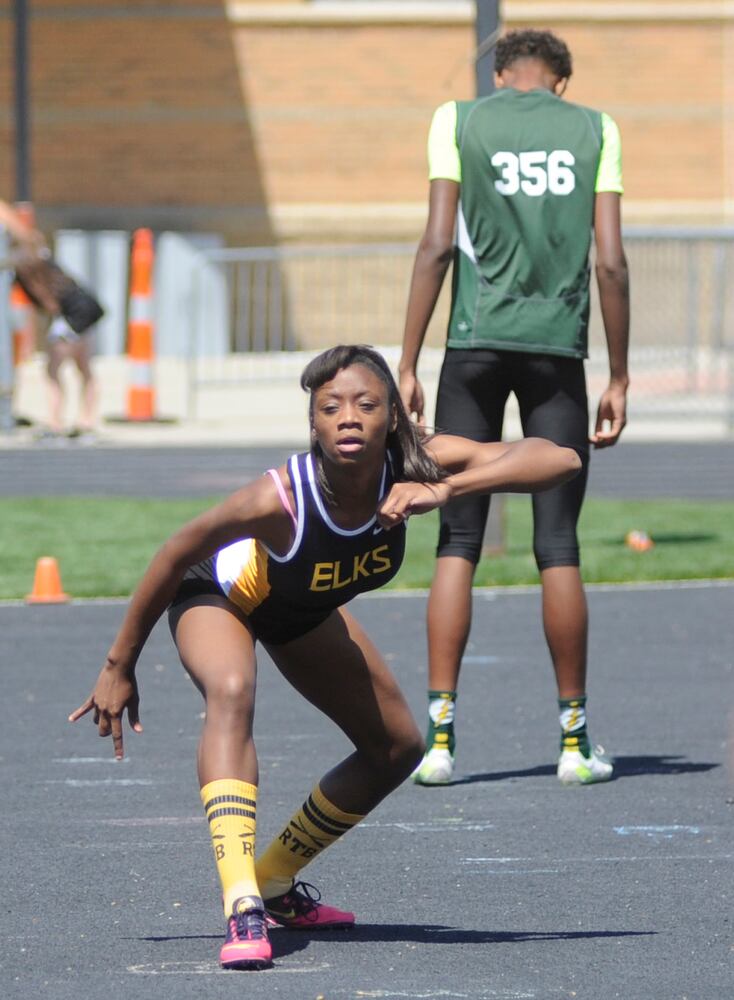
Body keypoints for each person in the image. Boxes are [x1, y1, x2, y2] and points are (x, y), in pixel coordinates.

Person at [69, 344, 580, 971]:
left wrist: (446, 488)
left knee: (396, 748)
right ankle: (242, 904)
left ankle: (275, 881)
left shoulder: (416, 463)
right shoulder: (277, 499)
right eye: (330, 407)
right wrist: (119, 664)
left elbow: (559, 457)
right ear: (312, 421)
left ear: (393, 415)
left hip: (300, 611)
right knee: (232, 691)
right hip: (220, 594)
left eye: (366, 404)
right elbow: (175, 552)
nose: (348, 417)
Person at [398, 29, 630, 787]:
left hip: (470, 344)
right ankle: (573, 744)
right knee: (557, 544)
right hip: (557, 351)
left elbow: (436, 245)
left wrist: (406, 361)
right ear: (561, 81)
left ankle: (437, 742)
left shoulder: (457, 120)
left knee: (456, 538)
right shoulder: (596, 128)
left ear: (500, 74)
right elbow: (610, 260)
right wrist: (619, 375)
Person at [0, 199, 99, 441]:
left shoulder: (27, 262)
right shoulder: (38, 257)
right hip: (84, 307)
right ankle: (86, 420)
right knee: (83, 367)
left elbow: (48, 302)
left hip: (71, 313)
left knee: (53, 369)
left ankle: (56, 423)